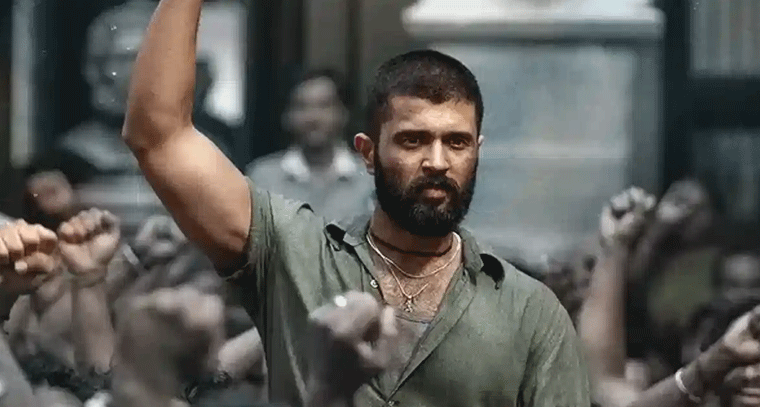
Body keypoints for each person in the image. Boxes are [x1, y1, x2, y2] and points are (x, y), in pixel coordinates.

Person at [122, 0, 590, 405]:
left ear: (477, 151)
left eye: (457, 142)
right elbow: (158, 135)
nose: (437, 162)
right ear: (367, 153)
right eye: (412, 140)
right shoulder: (294, 253)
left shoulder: (530, 312)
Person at [245, 69, 373, 222]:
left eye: (324, 106)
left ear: (343, 114)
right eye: (302, 107)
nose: (313, 117)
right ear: (287, 116)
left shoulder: (369, 179)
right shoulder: (262, 178)